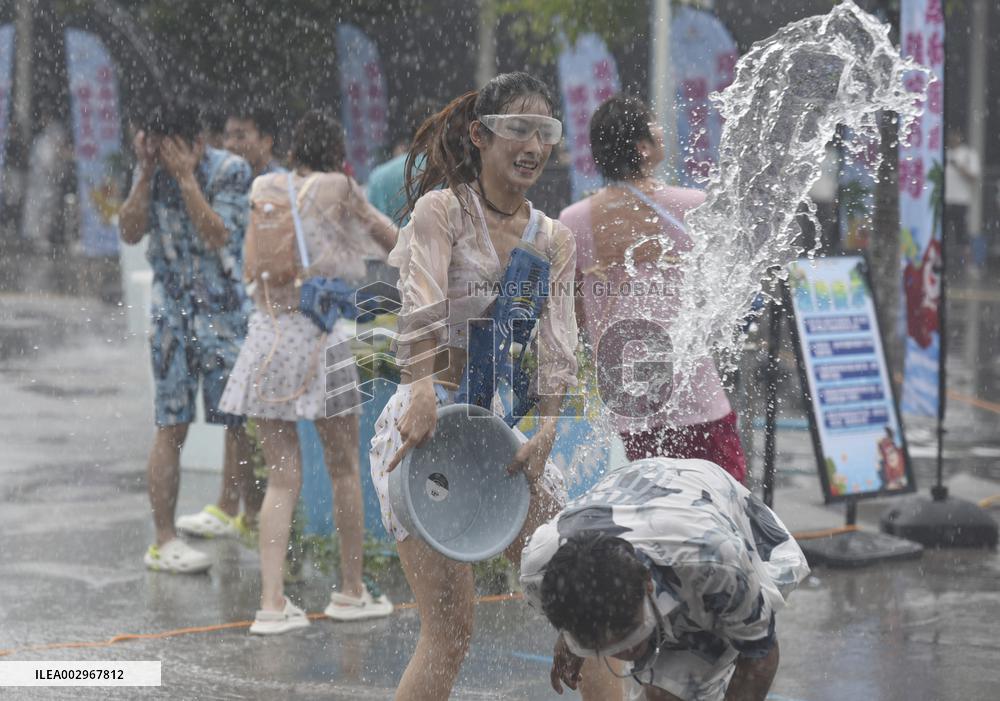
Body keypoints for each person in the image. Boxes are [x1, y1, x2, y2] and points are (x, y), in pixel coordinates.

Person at [370, 72, 617, 700]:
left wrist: (550, 427)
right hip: (422, 424)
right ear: (480, 136)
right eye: (518, 129)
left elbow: (559, 342)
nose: (533, 145)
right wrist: (421, 389)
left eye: (545, 132)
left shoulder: (552, 238)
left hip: (498, 429)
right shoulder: (443, 211)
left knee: (586, 606)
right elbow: (419, 301)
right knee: (450, 632)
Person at [218, 110, 397, 633]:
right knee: (342, 469)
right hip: (321, 340)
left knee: (281, 477)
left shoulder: (267, 184)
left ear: (293, 151)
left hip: (268, 336)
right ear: (337, 154)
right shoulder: (341, 186)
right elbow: (390, 239)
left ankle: (271, 604)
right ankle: (351, 590)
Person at [559, 96, 747, 482]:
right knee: (724, 499)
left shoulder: (573, 221)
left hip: (630, 399)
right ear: (643, 147)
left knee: (655, 508)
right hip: (693, 393)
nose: (663, 132)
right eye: (655, 125)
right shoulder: (691, 205)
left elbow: (575, 313)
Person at [521, 457, 810, 701]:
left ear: (647, 583)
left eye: (631, 639)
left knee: (667, 694)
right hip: (640, 496)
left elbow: (761, 654)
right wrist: (574, 637)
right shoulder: (539, 572)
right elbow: (582, 588)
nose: (626, 655)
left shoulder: (715, 563)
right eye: (610, 649)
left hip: (722, 519)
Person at [118, 101, 253, 573]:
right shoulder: (148, 171)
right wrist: (144, 173)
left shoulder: (231, 171)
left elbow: (220, 235)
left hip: (225, 316)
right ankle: (164, 538)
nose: (166, 155)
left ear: (198, 142)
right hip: (171, 318)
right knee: (170, 425)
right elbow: (130, 231)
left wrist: (187, 180)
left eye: (175, 147)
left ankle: (248, 518)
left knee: (242, 421)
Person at [176, 103, 285, 541]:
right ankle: (240, 509)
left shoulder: (276, 184)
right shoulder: (233, 178)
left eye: (244, 135)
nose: (234, 144)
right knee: (237, 412)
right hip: (242, 307)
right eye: (230, 135)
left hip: (271, 311)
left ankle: (248, 511)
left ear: (267, 141)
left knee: (252, 418)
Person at [366, 97, 438, 226]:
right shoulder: (448, 170)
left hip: (390, 244)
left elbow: (370, 224)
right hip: (439, 244)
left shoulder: (378, 176)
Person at [944, 128, 981, 268]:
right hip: (945, 200)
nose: (953, 138)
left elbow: (974, 177)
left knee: (962, 234)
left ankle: (968, 264)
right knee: (944, 232)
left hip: (961, 200)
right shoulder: (944, 153)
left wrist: (959, 166)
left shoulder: (969, 154)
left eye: (956, 135)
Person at [223, 104, 285, 177]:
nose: (229, 144)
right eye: (226, 136)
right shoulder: (225, 179)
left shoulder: (280, 183)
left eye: (240, 136)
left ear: (267, 142)